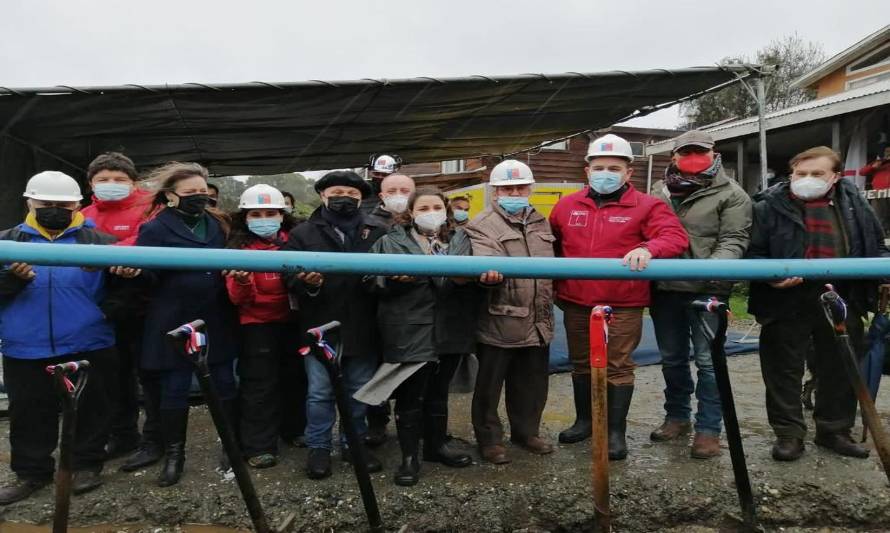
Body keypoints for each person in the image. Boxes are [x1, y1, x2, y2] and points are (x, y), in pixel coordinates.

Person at [0, 171, 139, 503]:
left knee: (93, 409)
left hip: (88, 342)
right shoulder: (7, 243)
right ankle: (32, 474)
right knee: (29, 412)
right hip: (25, 345)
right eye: (46, 203)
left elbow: (130, 292)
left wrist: (109, 306)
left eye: (63, 204)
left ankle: (86, 465)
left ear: (78, 203)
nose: (54, 209)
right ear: (29, 202)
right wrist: (12, 281)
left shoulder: (101, 243)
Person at [549, 134, 688, 460]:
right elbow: (550, 242)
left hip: (622, 303)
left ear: (628, 173)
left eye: (614, 167)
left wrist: (648, 248)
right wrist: (556, 285)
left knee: (617, 366)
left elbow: (674, 237)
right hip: (575, 299)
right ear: (587, 171)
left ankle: (614, 431)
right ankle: (585, 421)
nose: (606, 173)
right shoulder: (567, 205)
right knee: (581, 364)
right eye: (599, 167)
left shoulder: (648, 205)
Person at [747, 146, 886, 462]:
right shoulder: (767, 206)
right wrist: (770, 276)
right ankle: (789, 434)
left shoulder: (856, 204)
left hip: (842, 295)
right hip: (785, 298)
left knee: (841, 365)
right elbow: (751, 252)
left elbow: (875, 246)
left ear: (835, 176)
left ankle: (834, 431)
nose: (807, 180)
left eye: (817, 174)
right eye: (801, 173)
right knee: (783, 369)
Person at [365, 187, 481, 485]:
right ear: (411, 212)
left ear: (446, 210)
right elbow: (368, 281)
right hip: (408, 327)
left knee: (439, 392)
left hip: (451, 327)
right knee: (410, 395)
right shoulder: (389, 241)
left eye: (436, 207)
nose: (431, 213)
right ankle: (408, 458)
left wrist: (470, 279)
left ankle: (436, 445)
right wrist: (393, 282)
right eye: (423, 208)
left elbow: (475, 278)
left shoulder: (461, 239)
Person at [135, 162, 240, 486]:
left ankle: (231, 448)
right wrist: (136, 272)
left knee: (225, 385)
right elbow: (148, 276)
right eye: (190, 193)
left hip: (216, 317)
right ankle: (174, 455)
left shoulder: (219, 224)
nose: (199, 198)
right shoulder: (154, 228)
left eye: (202, 192)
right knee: (175, 389)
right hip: (173, 319)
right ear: (170, 196)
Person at [649, 130, 752, 459]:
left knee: (709, 363)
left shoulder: (732, 195)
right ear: (675, 157)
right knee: (672, 359)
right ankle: (676, 416)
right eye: (686, 152)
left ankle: (709, 429)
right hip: (664, 290)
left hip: (708, 291)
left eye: (700, 151)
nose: (694, 157)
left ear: (713, 153)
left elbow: (734, 239)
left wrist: (709, 272)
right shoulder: (658, 191)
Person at [283, 171, 389, 480]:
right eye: (338, 191)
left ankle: (352, 444)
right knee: (319, 393)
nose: (346, 198)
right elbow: (287, 273)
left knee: (358, 391)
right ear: (322, 196)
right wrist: (307, 283)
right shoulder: (303, 233)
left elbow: (387, 274)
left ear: (362, 199)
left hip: (364, 325)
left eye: (353, 194)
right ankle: (318, 448)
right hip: (320, 326)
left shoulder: (378, 230)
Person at [79, 152, 163, 471]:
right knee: (113, 374)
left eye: (119, 179)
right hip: (103, 305)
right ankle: (123, 433)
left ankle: (157, 438)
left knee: (150, 372)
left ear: (133, 182)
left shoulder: (152, 207)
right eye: (103, 180)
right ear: (91, 185)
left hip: (147, 300)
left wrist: (107, 254)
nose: (111, 185)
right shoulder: (83, 214)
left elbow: (148, 239)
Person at [463, 160, 551, 465]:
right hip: (500, 317)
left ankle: (527, 433)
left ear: (530, 189)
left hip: (538, 318)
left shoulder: (542, 221)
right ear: (495, 191)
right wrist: (489, 273)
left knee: (533, 381)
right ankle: (489, 440)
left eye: (520, 187)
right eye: (507, 188)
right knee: (490, 384)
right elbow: (487, 260)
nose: (514, 192)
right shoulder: (481, 224)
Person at [225, 184, 306, 468]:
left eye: (270, 212)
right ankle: (259, 445)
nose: (264, 218)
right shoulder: (238, 249)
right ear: (245, 218)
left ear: (282, 214)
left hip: (292, 322)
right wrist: (244, 281)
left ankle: (295, 430)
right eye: (256, 213)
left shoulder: (296, 242)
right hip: (256, 325)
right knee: (259, 386)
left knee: (296, 380)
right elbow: (237, 298)